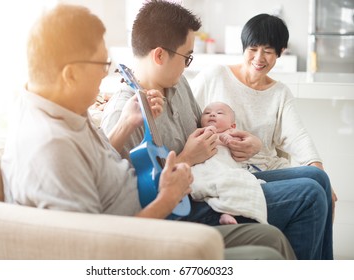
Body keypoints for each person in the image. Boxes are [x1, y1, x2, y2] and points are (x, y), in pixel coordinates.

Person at [0, 3, 296, 260]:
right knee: (268, 247)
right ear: (71, 74)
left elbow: (99, 159)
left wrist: (127, 124)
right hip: (146, 237)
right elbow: (95, 254)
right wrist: (167, 199)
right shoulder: (50, 147)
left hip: (151, 215)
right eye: (103, 64)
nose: (108, 73)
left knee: (273, 239)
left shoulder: (63, 108)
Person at [101, 1, 329, 260]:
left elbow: (209, 129)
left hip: (221, 176)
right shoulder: (125, 114)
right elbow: (131, 198)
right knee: (310, 196)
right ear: (160, 55)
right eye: (187, 56)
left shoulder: (178, 84)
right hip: (196, 203)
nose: (188, 65)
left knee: (318, 178)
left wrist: (248, 143)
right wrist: (187, 158)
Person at [191, 13, 336, 259]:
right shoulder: (214, 75)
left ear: (280, 52)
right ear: (244, 48)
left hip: (262, 170)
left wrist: (319, 168)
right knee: (313, 192)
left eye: (268, 51)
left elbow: (296, 134)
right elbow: (188, 117)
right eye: (253, 49)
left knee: (320, 179)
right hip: (229, 171)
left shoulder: (279, 92)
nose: (259, 58)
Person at [191, 101, 267, 225]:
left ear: (232, 126)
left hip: (226, 168)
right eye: (207, 113)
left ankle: (228, 212)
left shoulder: (231, 133)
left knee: (236, 185)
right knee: (202, 180)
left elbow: (237, 145)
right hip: (206, 166)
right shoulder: (201, 132)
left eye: (219, 113)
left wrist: (229, 140)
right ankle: (218, 207)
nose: (212, 115)